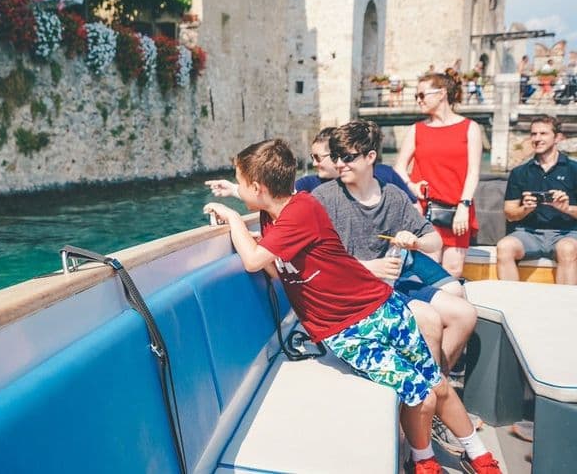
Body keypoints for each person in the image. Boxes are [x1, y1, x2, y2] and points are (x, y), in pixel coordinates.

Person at [203, 139, 501, 474]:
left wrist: (232, 218)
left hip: (381, 308)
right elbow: (275, 267)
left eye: (239, 183)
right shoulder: (272, 216)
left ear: (257, 187)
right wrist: (239, 204)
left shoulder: (300, 211)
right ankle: (424, 462)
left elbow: (255, 261)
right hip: (347, 331)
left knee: (437, 385)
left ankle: (479, 456)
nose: (237, 188)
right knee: (422, 393)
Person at [315, 122, 480, 455]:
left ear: (371, 156)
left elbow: (433, 239)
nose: (339, 164)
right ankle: (423, 419)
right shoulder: (325, 197)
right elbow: (319, 259)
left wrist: (414, 241)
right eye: (336, 157)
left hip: (393, 287)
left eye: (347, 157)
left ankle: (431, 405)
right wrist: (368, 268)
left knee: (464, 314)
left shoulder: (392, 196)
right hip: (359, 295)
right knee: (429, 321)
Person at [394, 72, 482, 279]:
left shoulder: (470, 128)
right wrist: (412, 186)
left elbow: (474, 171)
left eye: (422, 95)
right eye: (417, 96)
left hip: (458, 210)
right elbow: (398, 167)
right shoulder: (416, 130)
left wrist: (464, 205)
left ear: (442, 93)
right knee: (427, 270)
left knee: (454, 269)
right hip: (424, 212)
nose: (418, 100)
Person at [206, 127, 418, 205]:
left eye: (319, 158)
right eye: (312, 157)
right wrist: (234, 189)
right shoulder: (312, 185)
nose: (315, 164)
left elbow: (413, 207)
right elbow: (275, 195)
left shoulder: (384, 175)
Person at [496, 116, 577, 284]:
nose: (537, 138)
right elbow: (510, 213)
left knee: (567, 248)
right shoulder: (520, 172)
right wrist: (525, 209)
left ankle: (567, 307)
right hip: (528, 233)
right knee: (504, 247)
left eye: (543, 133)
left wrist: (566, 208)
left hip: (566, 234)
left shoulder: (574, 170)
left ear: (558, 138)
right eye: (533, 134)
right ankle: (511, 305)